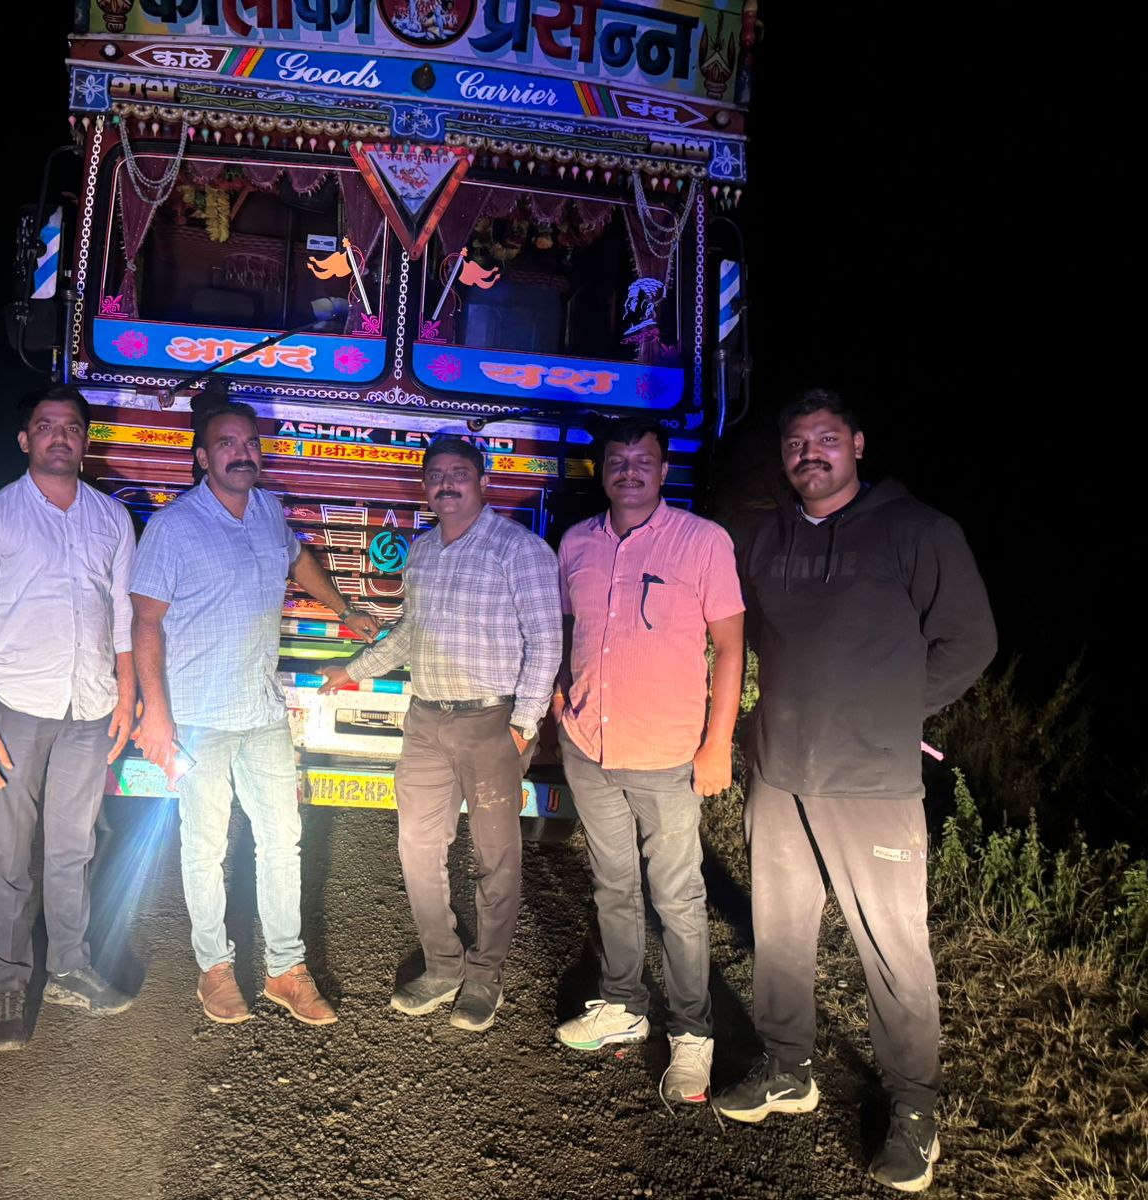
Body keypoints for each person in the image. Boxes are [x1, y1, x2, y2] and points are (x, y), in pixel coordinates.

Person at [716, 389, 996, 1193]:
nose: (811, 453)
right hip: (779, 775)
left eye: (826, 438)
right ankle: (786, 1067)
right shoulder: (766, 541)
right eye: (797, 443)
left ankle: (915, 1107)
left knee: (894, 949)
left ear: (859, 445)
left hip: (872, 782)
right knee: (781, 932)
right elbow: (741, 631)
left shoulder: (919, 532)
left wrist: (892, 709)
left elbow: (970, 642)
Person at [129, 399, 381, 1025]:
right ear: (202, 456)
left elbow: (297, 560)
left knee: (281, 843)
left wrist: (344, 609)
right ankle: (214, 969)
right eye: (226, 443)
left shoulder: (267, 510)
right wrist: (155, 713)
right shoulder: (173, 527)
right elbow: (146, 622)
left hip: (262, 710)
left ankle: (285, 971)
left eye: (250, 443)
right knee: (204, 847)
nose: (241, 454)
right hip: (197, 716)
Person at [320, 436, 561, 1033]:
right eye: (436, 476)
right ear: (425, 487)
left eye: (459, 473)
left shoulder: (519, 548)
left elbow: (545, 641)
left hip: (492, 722)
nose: (446, 484)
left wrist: (523, 725)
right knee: (417, 847)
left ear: (483, 482)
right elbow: (410, 633)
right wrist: (353, 669)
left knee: (494, 856)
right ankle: (443, 965)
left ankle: (485, 976)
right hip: (426, 720)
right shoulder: (424, 551)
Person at [552, 420, 744, 1103]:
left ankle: (692, 1035)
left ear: (664, 471)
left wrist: (718, 743)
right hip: (590, 748)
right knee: (613, 883)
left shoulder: (703, 542)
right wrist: (560, 699)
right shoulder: (576, 543)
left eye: (643, 459)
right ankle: (624, 1005)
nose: (629, 470)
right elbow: (568, 628)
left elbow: (730, 646)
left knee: (678, 897)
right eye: (617, 459)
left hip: (667, 755)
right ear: (601, 470)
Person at [0, 386, 138, 1051]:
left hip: (90, 707)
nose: (60, 436)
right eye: (46, 426)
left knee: (73, 846)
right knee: (8, 850)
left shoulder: (113, 518)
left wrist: (127, 696)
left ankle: (68, 967)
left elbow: (122, 616)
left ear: (85, 440)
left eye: (72, 427)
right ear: (25, 439)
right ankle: (8, 982)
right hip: (16, 707)